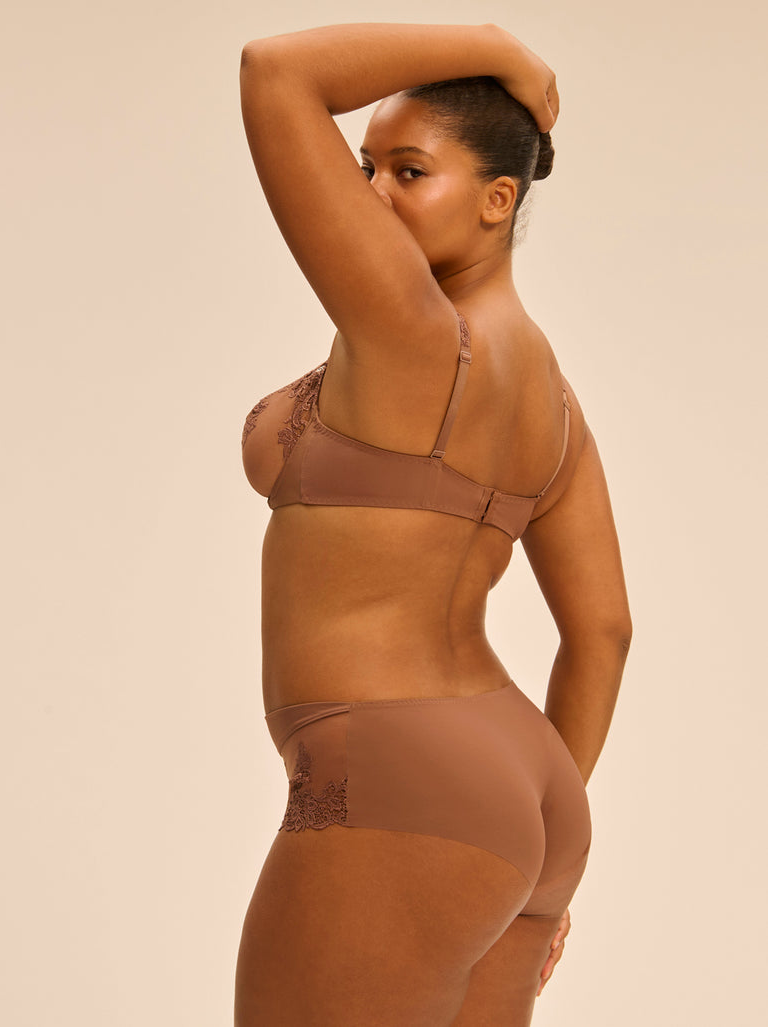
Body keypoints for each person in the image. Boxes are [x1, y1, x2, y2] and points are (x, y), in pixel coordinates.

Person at [234, 22, 631, 1027]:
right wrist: (521, 838)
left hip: (394, 775)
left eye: (409, 171)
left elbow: (276, 72)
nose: (372, 193)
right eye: (364, 167)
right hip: (528, 788)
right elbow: (604, 632)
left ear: (499, 200)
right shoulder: (554, 401)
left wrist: (495, 48)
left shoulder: (410, 331)